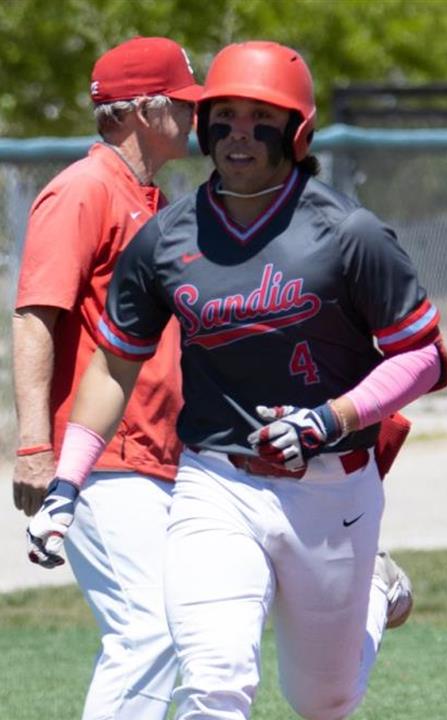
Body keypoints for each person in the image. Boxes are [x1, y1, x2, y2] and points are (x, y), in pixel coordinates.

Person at [27, 41, 447, 720]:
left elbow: (422, 357)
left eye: (262, 118)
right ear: (203, 126)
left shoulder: (349, 232)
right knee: (214, 676)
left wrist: (330, 419)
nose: (240, 135)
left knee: (323, 700)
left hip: (332, 487)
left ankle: (372, 594)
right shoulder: (166, 238)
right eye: (224, 115)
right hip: (216, 481)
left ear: (298, 131)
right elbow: (113, 363)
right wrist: (67, 481)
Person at [13, 36, 202, 720]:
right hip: (100, 459)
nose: (193, 115)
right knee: (148, 629)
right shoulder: (84, 190)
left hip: (153, 455)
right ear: (145, 111)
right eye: (183, 102)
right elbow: (36, 316)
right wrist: (36, 446)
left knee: (186, 626)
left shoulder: (146, 195)